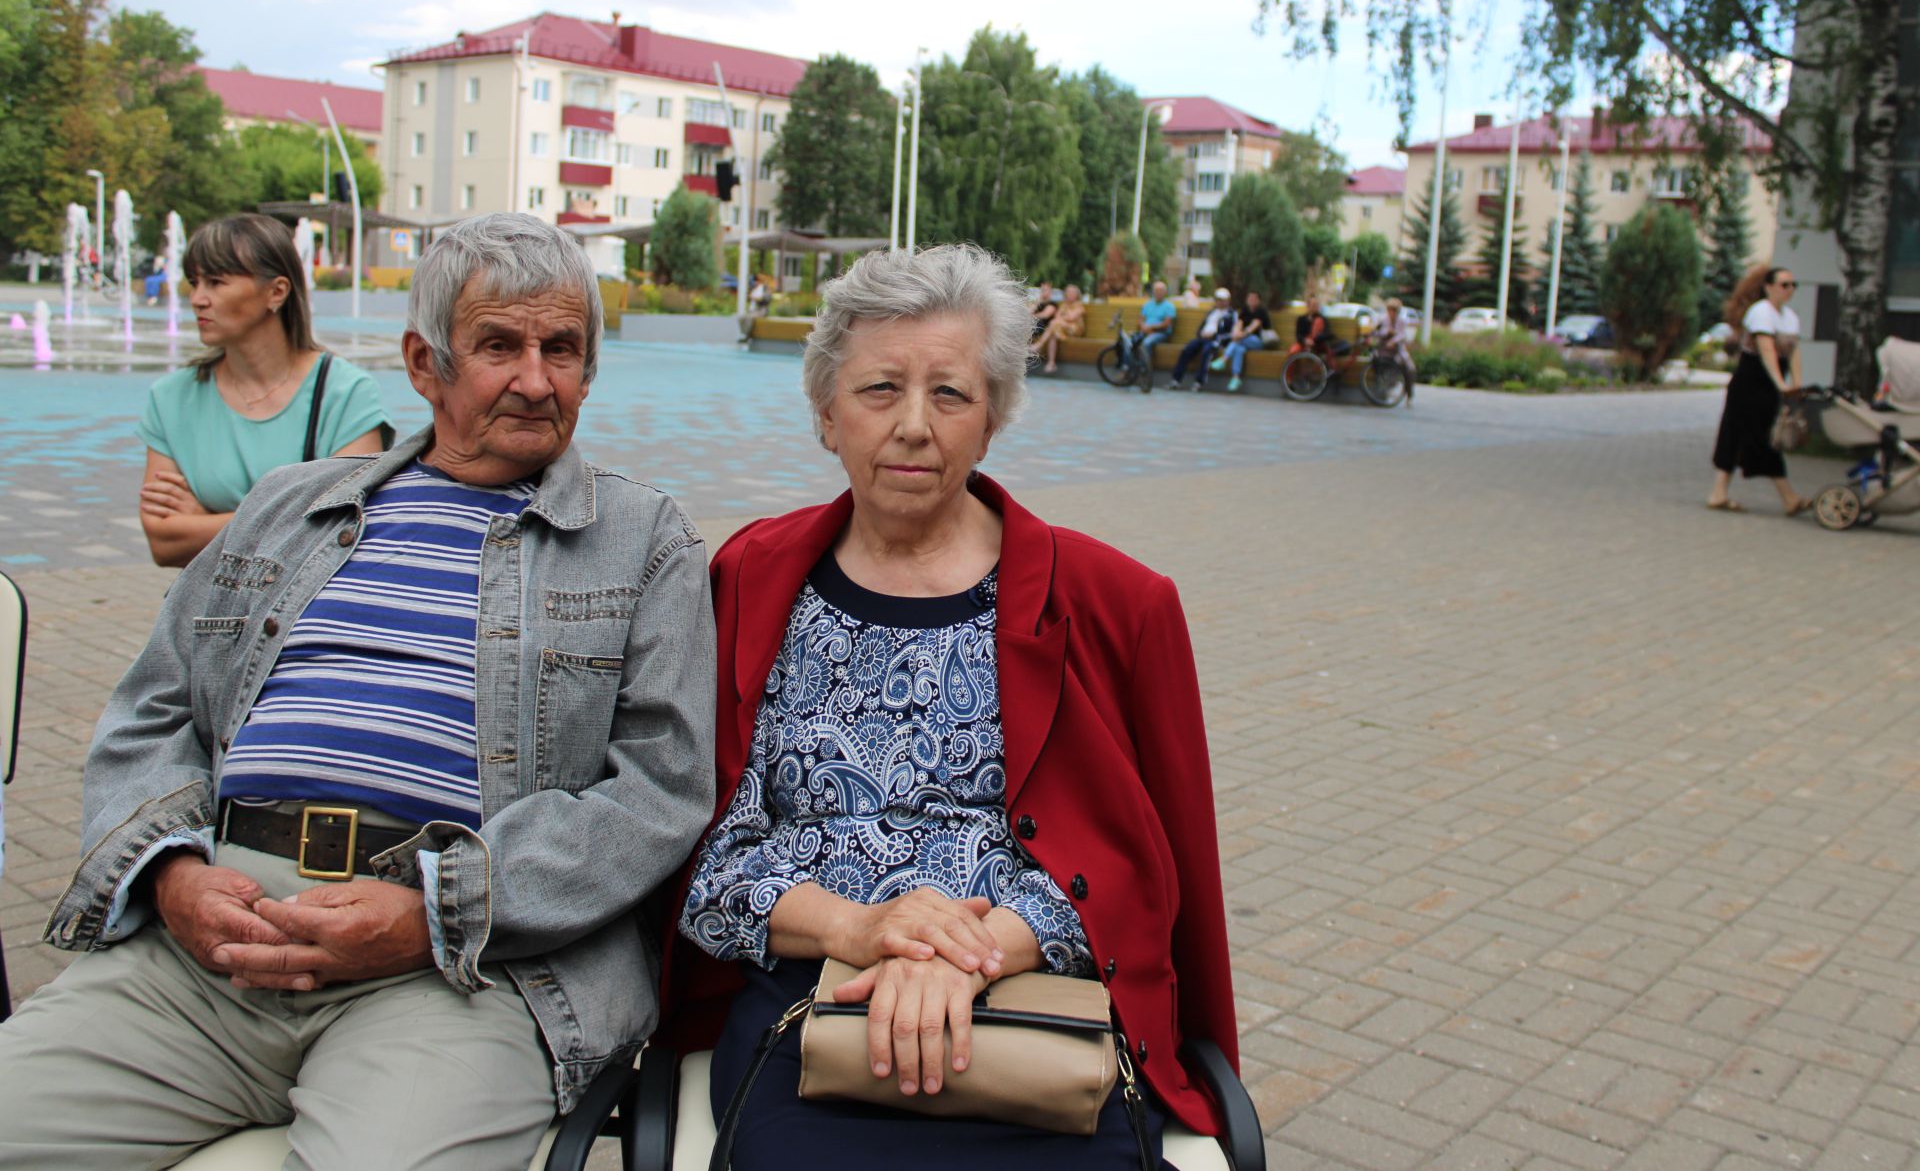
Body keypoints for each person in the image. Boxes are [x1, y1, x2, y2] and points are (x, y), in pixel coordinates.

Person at [0, 213, 719, 1169]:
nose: (538, 380)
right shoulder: (287, 507)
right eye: (500, 346)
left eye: (564, 350)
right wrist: (170, 876)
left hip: (462, 970)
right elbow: (153, 712)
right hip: (212, 946)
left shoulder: (640, 540)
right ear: (425, 364)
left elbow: (659, 793)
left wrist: (434, 911)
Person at [665, 244, 1237, 1169]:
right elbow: (702, 857)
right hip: (811, 1022)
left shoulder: (1114, 605)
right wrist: (859, 930)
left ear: (995, 417)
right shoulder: (747, 581)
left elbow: (1147, 868)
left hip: (1034, 1022)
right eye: (881, 389)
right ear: (825, 414)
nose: (915, 428)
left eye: (951, 394)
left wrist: (965, 954)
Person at [136, 214, 389, 568]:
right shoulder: (170, 399)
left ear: (277, 291)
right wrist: (290, 517)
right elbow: (164, 542)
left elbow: (340, 531)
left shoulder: (345, 395)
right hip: (206, 618)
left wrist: (203, 518)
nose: (197, 298)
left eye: (215, 282)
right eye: (194, 282)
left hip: (302, 622)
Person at [1709, 265, 1811, 514]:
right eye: (1784, 284)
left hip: (1767, 386)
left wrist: (1796, 383)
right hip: (1750, 383)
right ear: (1768, 287)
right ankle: (1789, 498)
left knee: (1736, 436)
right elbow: (1766, 352)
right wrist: (1781, 384)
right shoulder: (1761, 312)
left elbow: (1794, 353)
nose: (1789, 290)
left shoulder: (1790, 317)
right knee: (1762, 439)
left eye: (1793, 285)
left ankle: (1718, 494)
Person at [1170, 288, 1235, 389]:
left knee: (1206, 351)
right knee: (1187, 349)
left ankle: (1199, 382)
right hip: (1202, 338)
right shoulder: (1211, 312)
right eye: (1218, 299)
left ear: (1228, 301)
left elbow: (1231, 333)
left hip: (1216, 341)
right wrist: (1201, 333)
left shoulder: (1231, 314)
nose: (1220, 302)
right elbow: (1200, 328)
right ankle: (1176, 380)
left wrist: (1214, 335)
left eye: (1222, 300)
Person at [1208, 290, 1271, 392]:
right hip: (1243, 341)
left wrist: (1239, 336)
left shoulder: (1261, 311)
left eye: (1254, 298)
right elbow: (1239, 324)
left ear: (1259, 300)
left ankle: (1224, 358)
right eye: (1250, 298)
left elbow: (1253, 327)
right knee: (1239, 349)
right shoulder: (1245, 310)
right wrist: (1235, 333)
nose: (1251, 300)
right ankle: (1236, 378)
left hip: (1258, 341)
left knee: (1238, 342)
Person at [1029, 282, 1085, 374]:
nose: (1069, 294)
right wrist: (1062, 318)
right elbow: (1058, 317)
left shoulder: (1079, 306)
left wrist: (1061, 318)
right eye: (1068, 292)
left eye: (1072, 292)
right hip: (1062, 328)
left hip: (1075, 330)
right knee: (1053, 335)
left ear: (1077, 295)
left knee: (1054, 323)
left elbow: (1071, 317)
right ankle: (1051, 363)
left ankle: (1039, 345)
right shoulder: (1064, 305)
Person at [1131, 279, 1177, 389]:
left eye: (1161, 290)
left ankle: (1144, 372)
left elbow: (1167, 323)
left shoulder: (1169, 306)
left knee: (1147, 343)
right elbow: (1140, 320)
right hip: (1145, 330)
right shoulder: (1147, 305)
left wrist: (1152, 328)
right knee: (1130, 342)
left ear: (1165, 292)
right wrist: (1143, 327)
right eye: (1156, 290)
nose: (1158, 293)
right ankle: (1128, 369)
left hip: (1160, 333)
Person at [1378, 296, 1418, 405]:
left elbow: (1402, 334)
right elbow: (1378, 331)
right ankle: (1388, 389)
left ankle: (1409, 395)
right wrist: (1387, 332)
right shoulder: (1383, 319)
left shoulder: (1401, 321)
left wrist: (1394, 340)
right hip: (1384, 351)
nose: (1391, 312)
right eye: (1390, 310)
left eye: (1394, 310)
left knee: (1410, 370)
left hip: (1398, 351)